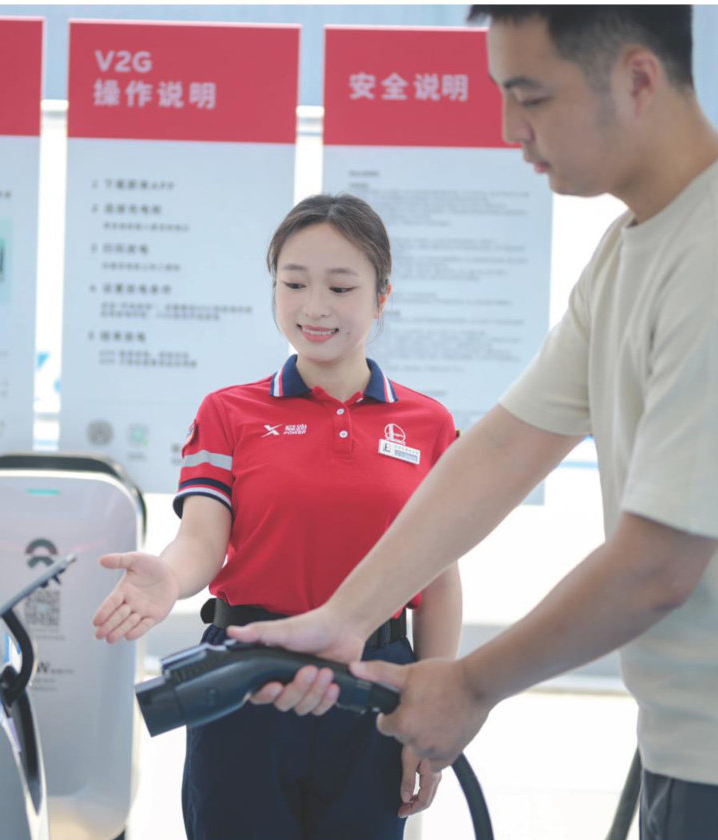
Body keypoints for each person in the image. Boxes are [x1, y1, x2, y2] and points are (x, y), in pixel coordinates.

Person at [227, 7, 718, 840]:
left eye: (530, 97)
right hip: (712, 740)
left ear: (636, 79)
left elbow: (657, 565)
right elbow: (506, 445)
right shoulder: (636, 246)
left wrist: (471, 685)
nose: (509, 129)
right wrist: (347, 615)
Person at [91, 193, 463, 839]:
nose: (314, 307)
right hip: (244, 680)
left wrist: (433, 709)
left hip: (375, 683)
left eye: (340, 287)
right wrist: (170, 578)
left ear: (381, 297)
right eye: (293, 284)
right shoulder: (228, 412)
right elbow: (201, 539)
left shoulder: (427, 425)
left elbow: (440, 581)